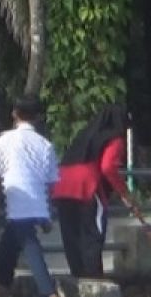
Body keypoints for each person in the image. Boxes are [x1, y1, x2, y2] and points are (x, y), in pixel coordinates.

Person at [0, 96, 67, 297]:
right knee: (9, 242)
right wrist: (47, 213)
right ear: (37, 117)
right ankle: (1, 285)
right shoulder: (45, 145)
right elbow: (51, 184)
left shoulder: (5, 140)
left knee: (30, 247)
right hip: (37, 203)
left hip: (17, 201)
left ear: (14, 114)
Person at [51, 104, 130, 279]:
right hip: (87, 187)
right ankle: (93, 278)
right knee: (92, 234)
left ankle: (78, 277)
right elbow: (108, 167)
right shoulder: (114, 139)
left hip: (62, 187)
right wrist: (125, 194)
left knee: (72, 235)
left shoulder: (84, 135)